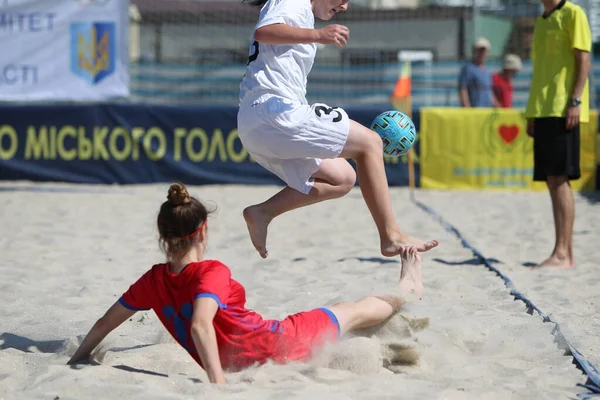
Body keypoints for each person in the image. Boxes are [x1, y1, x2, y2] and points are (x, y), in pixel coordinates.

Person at [67, 183, 426, 383]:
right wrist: (217, 384)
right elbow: (200, 325)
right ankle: (409, 288)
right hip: (281, 344)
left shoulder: (151, 281)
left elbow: (104, 324)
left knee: (349, 317)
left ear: (163, 236)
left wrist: (79, 358)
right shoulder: (212, 271)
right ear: (203, 231)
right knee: (352, 311)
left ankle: (400, 298)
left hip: (255, 355)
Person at [236, 0, 439, 259]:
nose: (344, 6)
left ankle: (262, 212)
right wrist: (318, 36)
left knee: (343, 178)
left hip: (259, 124)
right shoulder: (294, 1)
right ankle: (391, 236)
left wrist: (315, 34)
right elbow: (264, 31)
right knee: (370, 143)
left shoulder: (301, 11)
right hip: (273, 112)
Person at [524, 0, 591, 269]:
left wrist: (575, 100)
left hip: (563, 108)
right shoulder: (541, 20)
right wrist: (531, 112)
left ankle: (563, 253)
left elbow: (583, 58)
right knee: (552, 179)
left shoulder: (573, 13)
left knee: (561, 179)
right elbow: (541, 72)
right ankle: (563, 252)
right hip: (542, 110)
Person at [458, 37, 499, 108]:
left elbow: (489, 93)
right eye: (479, 51)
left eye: (484, 51)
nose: (482, 54)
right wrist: (467, 109)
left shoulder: (486, 71)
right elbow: (463, 89)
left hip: (487, 113)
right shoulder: (468, 68)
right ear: (474, 51)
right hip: (475, 112)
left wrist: (498, 107)